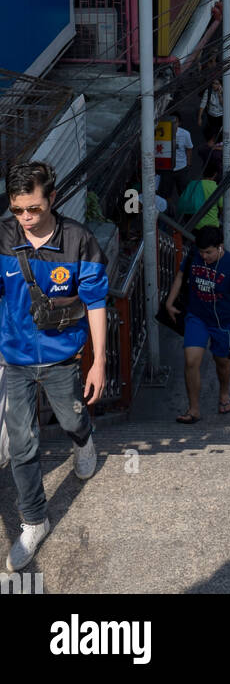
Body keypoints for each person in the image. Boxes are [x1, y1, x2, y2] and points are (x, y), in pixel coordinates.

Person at [0, 160, 108, 570]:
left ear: (53, 199)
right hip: (16, 358)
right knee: (22, 443)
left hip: (64, 356)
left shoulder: (80, 241)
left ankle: (85, 440)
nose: (26, 218)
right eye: (17, 210)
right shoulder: (3, 237)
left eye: (34, 209)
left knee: (70, 420)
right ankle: (34, 520)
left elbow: (96, 302)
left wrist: (99, 362)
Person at [167, 227, 230, 423]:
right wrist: (169, 302)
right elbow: (180, 276)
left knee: (222, 363)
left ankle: (224, 393)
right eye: (201, 252)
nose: (204, 256)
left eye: (208, 252)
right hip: (197, 318)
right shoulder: (194, 256)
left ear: (220, 247)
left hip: (223, 323)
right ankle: (193, 409)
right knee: (191, 360)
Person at [177, 159, 223, 232]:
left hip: (192, 225)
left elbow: (182, 202)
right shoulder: (215, 188)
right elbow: (222, 207)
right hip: (211, 225)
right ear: (215, 174)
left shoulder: (192, 184)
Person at [164, 112, 194, 201]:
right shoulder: (162, 133)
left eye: (176, 122)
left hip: (181, 168)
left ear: (179, 123)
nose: (173, 124)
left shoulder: (185, 134)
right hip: (167, 170)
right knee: (166, 193)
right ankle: (169, 211)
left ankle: (184, 210)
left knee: (184, 193)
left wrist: (188, 163)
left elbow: (189, 149)